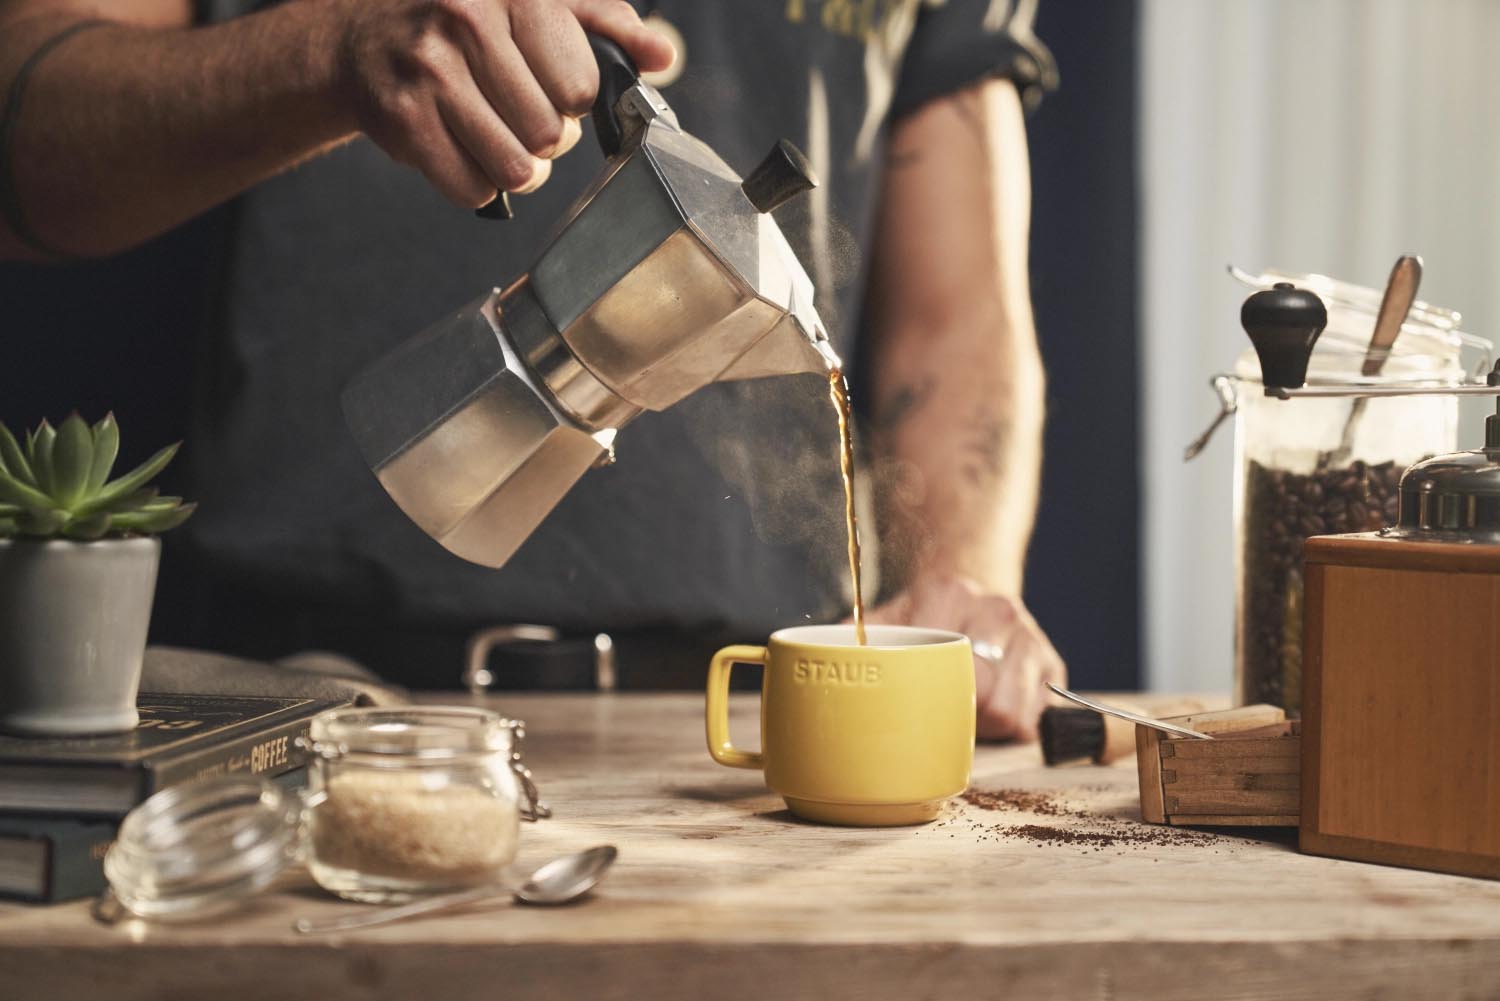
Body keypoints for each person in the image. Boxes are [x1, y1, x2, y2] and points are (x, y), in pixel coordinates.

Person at [0, 0, 1066, 739]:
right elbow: (25, 142)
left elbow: (959, 318)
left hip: (745, 717)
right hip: (297, 691)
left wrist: (959, 592)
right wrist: (334, 52)